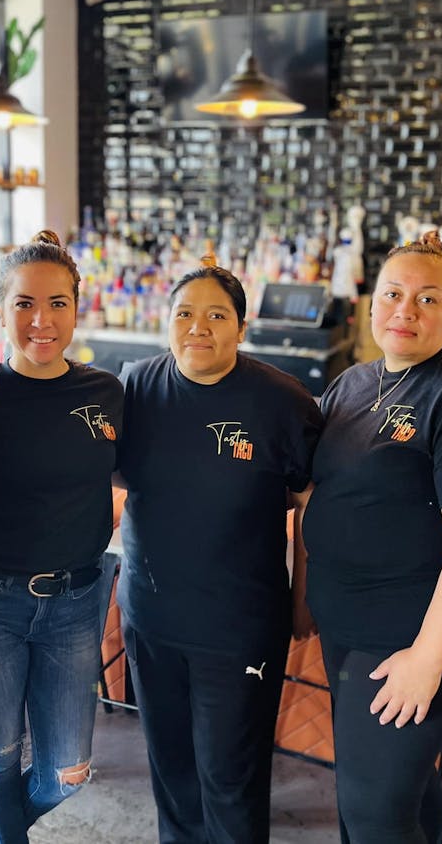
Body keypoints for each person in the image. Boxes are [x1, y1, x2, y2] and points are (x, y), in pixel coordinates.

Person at [298, 230, 442, 843]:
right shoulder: (352, 384)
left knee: (372, 814)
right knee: (392, 800)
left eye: (427, 299)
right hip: (349, 625)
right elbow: (320, 493)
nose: (406, 310)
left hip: (415, 633)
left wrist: (427, 660)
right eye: (394, 293)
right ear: (370, 303)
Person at [116, 264, 322, 843]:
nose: (197, 327)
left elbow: (309, 505)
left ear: (240, 327)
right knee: (173, 771)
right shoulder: (134, 387)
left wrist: (303, 598)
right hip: (152, 619)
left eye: (216, 315)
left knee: (231, 776)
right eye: (184, 313)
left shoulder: (282, 402)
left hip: (238, 627)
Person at [0, 231, 123, 844]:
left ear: (77, 307)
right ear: (0, 311)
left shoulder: (106, 394)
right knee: (0, 752)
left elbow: (148, 471)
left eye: (57, 303)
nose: (41, 320)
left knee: (69, 771)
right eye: (23, 304)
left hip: (76, 601)